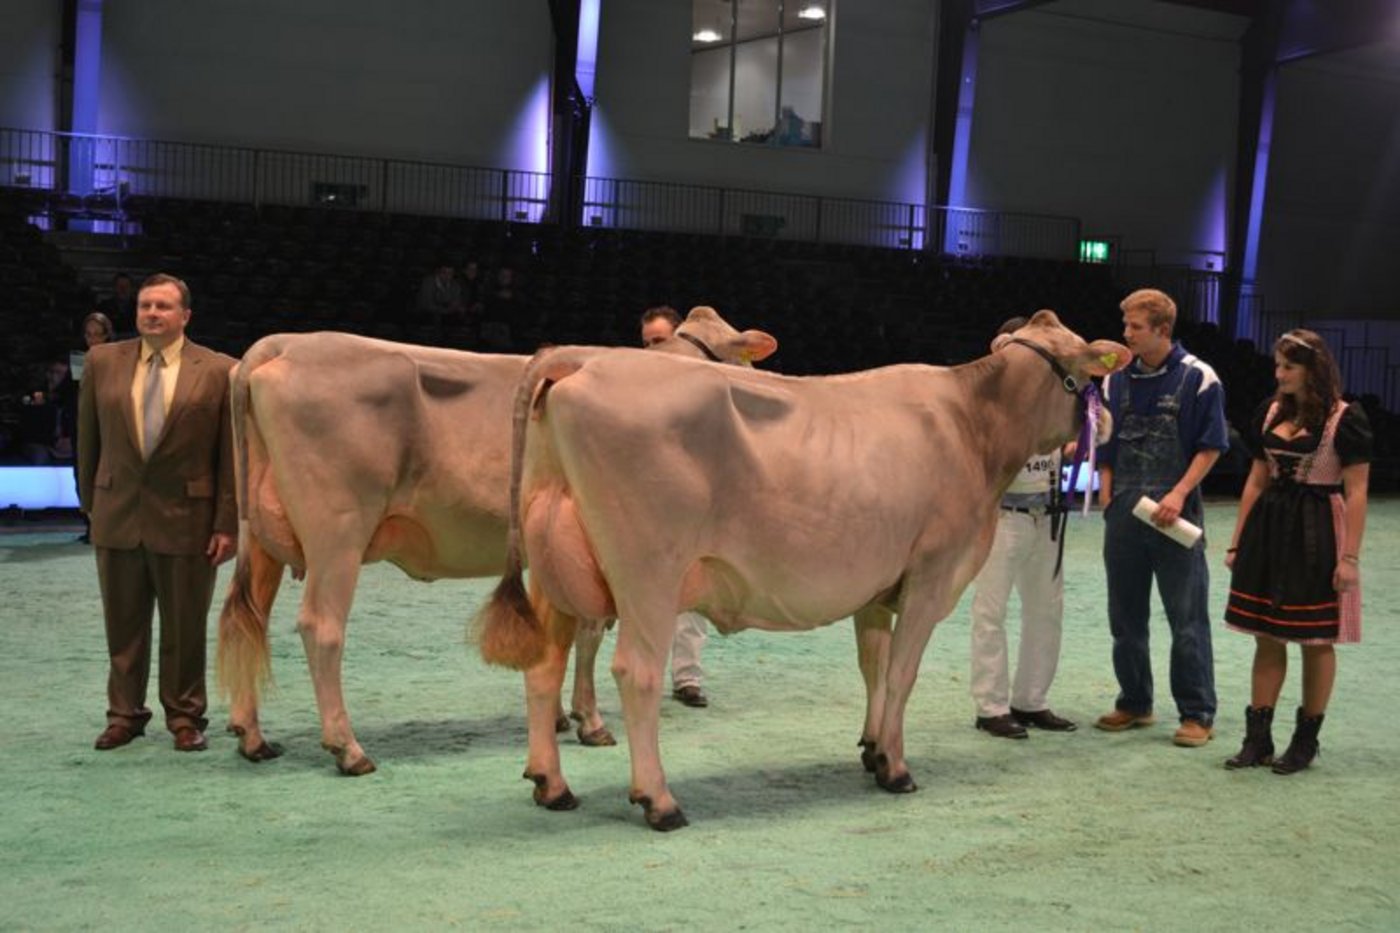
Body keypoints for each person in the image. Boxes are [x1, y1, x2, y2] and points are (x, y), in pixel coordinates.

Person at [78, 273, 238, 753]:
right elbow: (88, 442)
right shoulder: (102, 362)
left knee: (185, 629)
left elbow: (229, 456)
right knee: (122, 627)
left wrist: (226, 523)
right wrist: (93, 504)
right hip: (117, 516)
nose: (152, 313)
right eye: (146, 305)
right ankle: (124, 715)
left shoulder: (219, 370)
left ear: (185, 316)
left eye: (164, 306)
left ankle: (185, 718)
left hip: (189, 520)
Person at [1221, 330, 1371, 774]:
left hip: (1318, 527)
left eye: (1288, 366)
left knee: (1315, 637)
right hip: (1269, 527)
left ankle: (1305, 742)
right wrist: (1237, 540)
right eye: (1278, 365)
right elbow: (1255, 480)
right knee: (1265, 634)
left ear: (1313, 369)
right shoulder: (1269, 411)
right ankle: (1257, 739)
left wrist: (1349, 558)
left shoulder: (1345, 418)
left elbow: (1358, 491)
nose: (1279, 373)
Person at [1096, 288, 1229, 747]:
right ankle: (1135, 702)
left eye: (1135, 327)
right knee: (1124, 616)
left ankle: (1197, 713)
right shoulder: (1115, 381)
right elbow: (1106, 445)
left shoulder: (1200, 378)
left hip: (1176, 514)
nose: (1125, 334)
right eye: (1126, 325)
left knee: (1187, 618)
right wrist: (1109, 495)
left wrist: (1178, 492)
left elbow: (1211, 446)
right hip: (1124, 516)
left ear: (1162, 330)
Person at [970, 316, 1106, 739]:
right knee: (990, 612)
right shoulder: (987, 399)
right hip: (1002, 516)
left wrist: (1084, 422)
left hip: (1047, 515)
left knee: (1046, 611)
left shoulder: (1057, 397)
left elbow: (1102, 425)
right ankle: (990, 707)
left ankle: (1031, 700)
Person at [640, 305, 711, 708]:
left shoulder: (700, 385)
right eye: (647, 342)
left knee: (692, 592)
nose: (652, 350)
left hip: (688, 504)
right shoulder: (630, 387)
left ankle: (687, 678)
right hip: (640, 505)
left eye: (660, 341)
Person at [71, 312, 116, 543]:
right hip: (80, 425)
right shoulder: (78, 360)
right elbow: (70, 395)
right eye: (89, 335)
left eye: (98, 335)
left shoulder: (117, 360)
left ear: (107, 335)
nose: (93, 340)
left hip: (109, 426)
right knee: (81, 475)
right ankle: (90, 526)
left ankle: (106, 527)